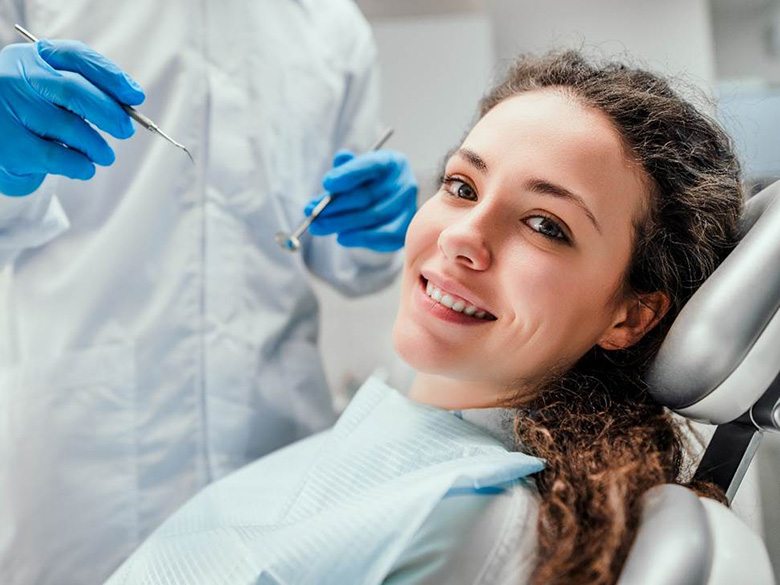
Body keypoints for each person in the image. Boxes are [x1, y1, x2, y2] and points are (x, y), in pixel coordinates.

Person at [102, 50, 745, 585]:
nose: (463, 235)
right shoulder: (412, 467)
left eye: (546, 225)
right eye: (462, 186)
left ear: (631, 317)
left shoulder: (459, 524)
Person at [0, 2, 417, 583]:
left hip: (276, 443)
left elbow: (350, 264)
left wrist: (375, 225)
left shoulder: (331, 23)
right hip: (82, 471)